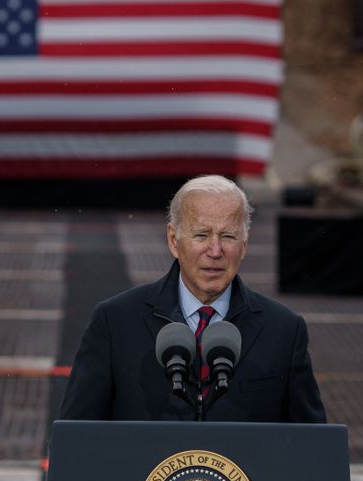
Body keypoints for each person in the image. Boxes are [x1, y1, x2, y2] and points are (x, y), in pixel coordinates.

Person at [59, 175, 326, 423]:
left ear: (244, 245)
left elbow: (311, 448)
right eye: (201, 235)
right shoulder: (114, 323)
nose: (215, 250)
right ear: (174, 240)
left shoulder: (284, 331)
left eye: (228, 236)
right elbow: (76, 437)